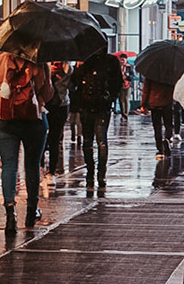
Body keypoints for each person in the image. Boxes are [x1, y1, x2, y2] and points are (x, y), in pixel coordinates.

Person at [0, 40, 52, 233]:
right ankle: (31, 211)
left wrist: (7, 104)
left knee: (9, 165)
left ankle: (10, 213)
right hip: (34, 121)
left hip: (4, 122)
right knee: (32, 165)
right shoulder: (40, 63)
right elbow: (48, 94)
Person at [69, 47, 125, 190]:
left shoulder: (110, 61)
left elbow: (117, 82)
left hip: (101, 107)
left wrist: (110, 97)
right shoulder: (86, 62)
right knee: (90, 142)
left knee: (100, 142)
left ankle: (100, 175)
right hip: (87, 106)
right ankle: (91, 174)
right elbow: (74, 81)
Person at [44, 61, 72, 177]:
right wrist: (49, 73)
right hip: (44, 105)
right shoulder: (43, 64)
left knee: (55, 138)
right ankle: (41, 165)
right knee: (41, 136)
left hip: (61, 105)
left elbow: (72, 85)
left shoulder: (67, 66)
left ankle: (52, 170)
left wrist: (62, 75)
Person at [145, 76, 177, 155]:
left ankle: (160, 147)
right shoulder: (170, 74)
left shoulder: (150, 74)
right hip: (167, 102)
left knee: (157, 127)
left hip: (154, 103)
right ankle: (167, 139)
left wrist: (143, 104)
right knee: (168, 124)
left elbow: (146, 90)